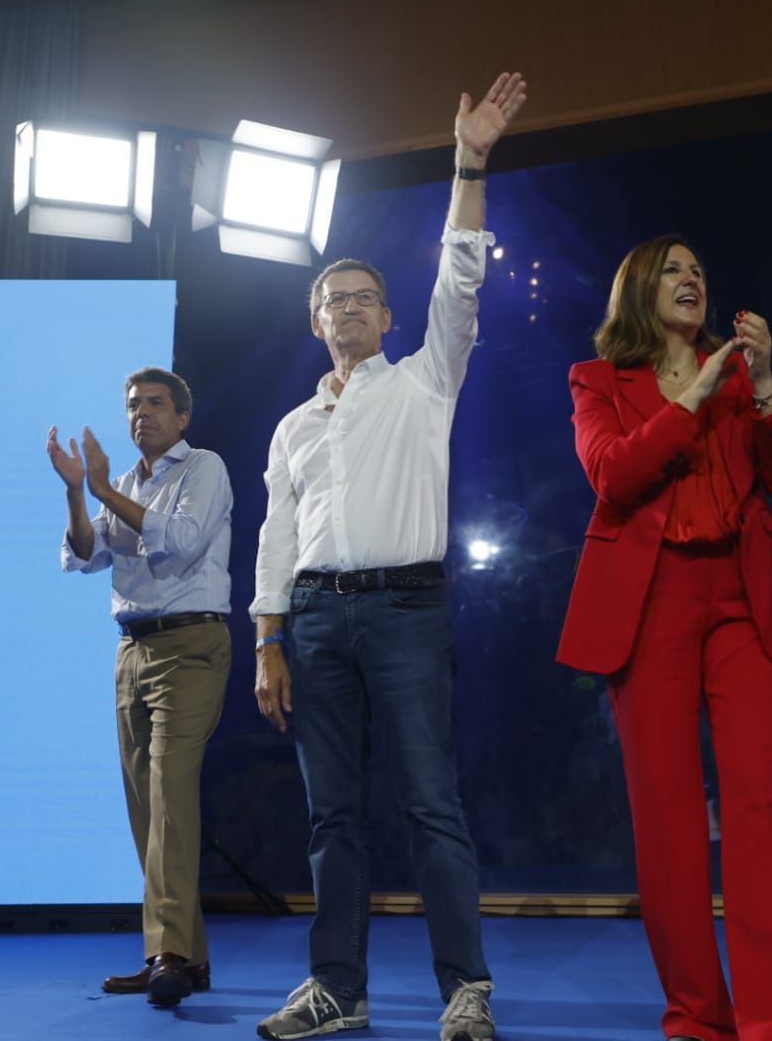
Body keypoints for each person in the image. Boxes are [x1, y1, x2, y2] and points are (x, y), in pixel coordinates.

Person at [247, 71, 526, 1041]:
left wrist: (467, 162)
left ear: (389, 317)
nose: (353, 309)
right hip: (314, 621)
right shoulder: (292, 426)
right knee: (331, 820)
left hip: (406, 611)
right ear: (316, 321)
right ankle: (339, 989)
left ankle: (466, 990)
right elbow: (276, 535)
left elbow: (462, 273)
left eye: (366, 298)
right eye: (336, 300)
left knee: (430, 804)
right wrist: (266, 638)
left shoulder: (426, 384)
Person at [557, 235, 772, 1041]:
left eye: (698, 271)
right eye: (673, 271)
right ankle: (696, 1016)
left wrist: (767, 387)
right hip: (649, 605)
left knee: (761, 802)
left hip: (743, 598)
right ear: (638, 290)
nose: (691, 280)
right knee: (667, 816)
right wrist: (689, 401)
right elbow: (611, 475)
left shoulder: (742, 375)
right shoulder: (597, 381)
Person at [47, 367, 232, 1009]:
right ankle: (187, 956)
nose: (141, 413)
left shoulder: (202, 468)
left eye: (155, 404)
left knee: (170, 797)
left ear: (182, 417)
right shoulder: (124, 483)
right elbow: (84, 554)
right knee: (146, 809)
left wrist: (101, 486)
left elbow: (178, 544)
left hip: (190, 646)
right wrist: (79, 491)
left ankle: (168, 955)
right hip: (132, 649)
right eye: (132, 405)